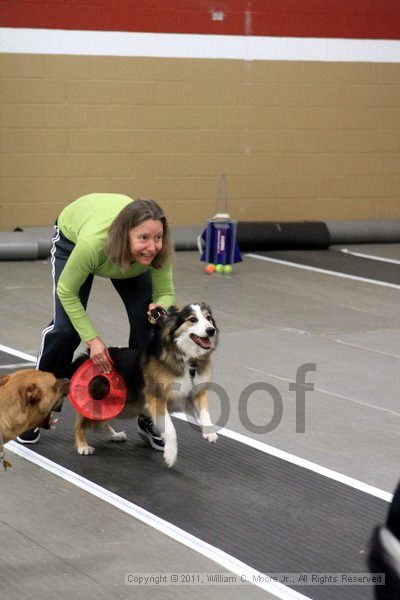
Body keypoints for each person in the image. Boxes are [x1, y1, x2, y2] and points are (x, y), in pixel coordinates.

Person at [17, 193, 175, 449]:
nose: (152, 245)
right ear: (125, 235)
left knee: (150, 328)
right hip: (74, 238)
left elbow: (166, 292)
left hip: (128, 262)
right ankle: (37, 406)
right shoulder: (93, 244)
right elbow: (66, 291)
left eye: (157, 237)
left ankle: (147, 412)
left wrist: (161, 307)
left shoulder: (156, 250)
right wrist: (93, 339)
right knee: (66, 330)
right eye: (144, 238)